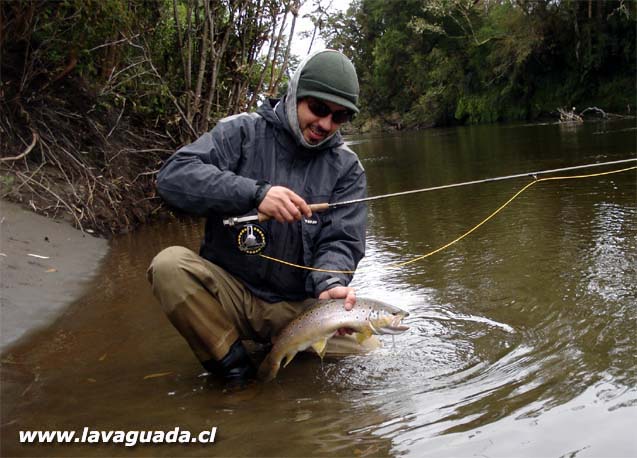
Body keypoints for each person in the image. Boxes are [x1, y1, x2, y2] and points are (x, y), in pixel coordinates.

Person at [147, 49, 369, 387]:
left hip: (299, 309)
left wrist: (331, 284)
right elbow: (173, 178)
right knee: (169, 266)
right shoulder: (242, 132)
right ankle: (236, 373)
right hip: (233, 296)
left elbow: (342, 240)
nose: (325, 124)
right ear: (295, 93)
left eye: (338, 117)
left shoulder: (347, 167)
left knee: (369, 354)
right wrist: (255, 193)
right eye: (319, 109)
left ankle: (281, 356)